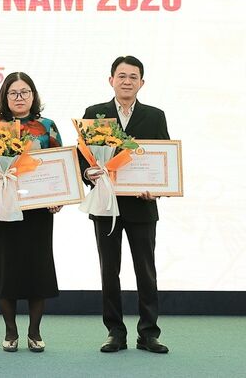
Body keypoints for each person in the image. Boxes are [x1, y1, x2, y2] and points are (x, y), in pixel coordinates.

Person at [81, 55, 170, 354]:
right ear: (111, 80)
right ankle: (115, 333)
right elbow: (83, 157)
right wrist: (88, 173)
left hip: (142, 207)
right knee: (109, 271)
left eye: (133, 77)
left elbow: (163, 158)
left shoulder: (155, 116)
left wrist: (157, 190)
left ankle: (148, 333)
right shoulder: (95, 114)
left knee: (146, 271)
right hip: (106, 205)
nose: (127, 81)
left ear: (141, 83)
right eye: (122, 76)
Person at [0, 72, 62, 353]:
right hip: (1, 208)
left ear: (33, 96)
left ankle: (35, 332)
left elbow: (61, 165)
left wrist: (59, 197)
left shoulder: (47, 127)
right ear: (5, 97)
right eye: (13, 93)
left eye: (25, 92)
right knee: (5, 270)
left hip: (37, 210)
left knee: (38, 270)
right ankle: (10, 332)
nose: (19, 97)